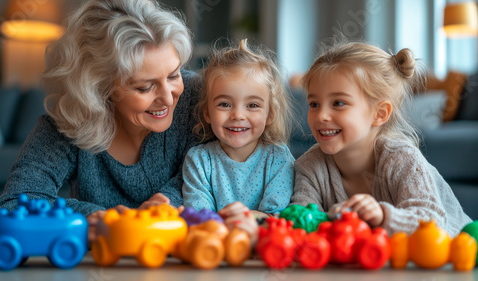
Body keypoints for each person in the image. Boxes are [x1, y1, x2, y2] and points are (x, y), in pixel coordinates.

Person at [0, 0, 198, 242]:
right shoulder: (70, 120)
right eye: (144, 87)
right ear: (99, 87)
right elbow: (12, 206)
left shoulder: (199, 98)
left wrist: (168, 202)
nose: (167, 97)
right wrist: (92, 217)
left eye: (174, 75)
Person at [291, 40, 472, 237]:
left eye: (338, 103)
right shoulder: (309, 166)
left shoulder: (402, 158)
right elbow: (300, 220)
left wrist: (383, 216)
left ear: (380, 113)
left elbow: (432, 221)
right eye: (314, 104)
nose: (321, 115)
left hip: (455, 252)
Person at [181, 39, 295, 242]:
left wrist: (244, 221)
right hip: (214, 247)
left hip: (265, 248)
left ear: (270, 115)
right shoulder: (199, 160)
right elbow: (198, 217)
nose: (238, 115)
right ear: (207, 112)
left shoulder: (278, 157)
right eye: (225, 104)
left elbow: (278, 216)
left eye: (252, 105)